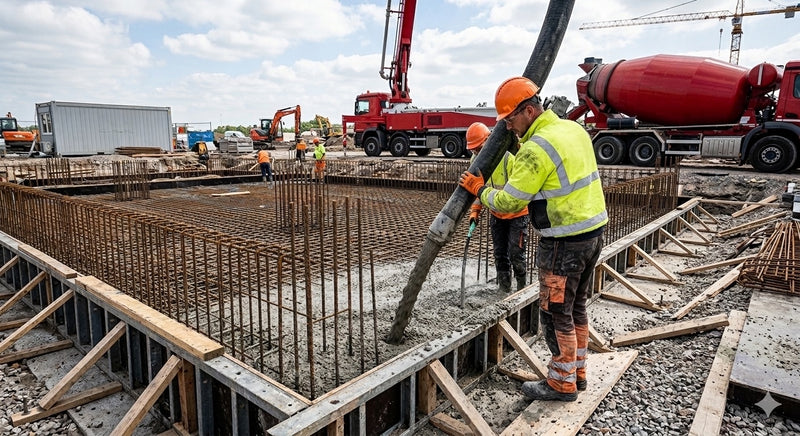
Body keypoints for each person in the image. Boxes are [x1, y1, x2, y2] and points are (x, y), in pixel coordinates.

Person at [459, 77, 607, 402]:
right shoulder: (572, 130)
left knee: (554, 313)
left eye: (510, 119)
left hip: (563, 244)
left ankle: (561, 383)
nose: (508, 127)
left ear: (528, 110)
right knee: (576, 306)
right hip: (593, 236)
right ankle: (576, 373)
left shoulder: (536, 149)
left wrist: (479, 191)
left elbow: (511, 201)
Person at [465, 122, 529, 293]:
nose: (476, 153)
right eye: (473, 150)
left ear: (488, 141)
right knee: (500, 254)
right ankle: (504, 288)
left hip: (518, 214)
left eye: (478, 148)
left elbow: (519, 192)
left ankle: (522, 289)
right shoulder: (476, 161)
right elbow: (478, 189)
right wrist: (475, 211)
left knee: (516, 253)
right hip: (497, 214)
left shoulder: (509, 157)